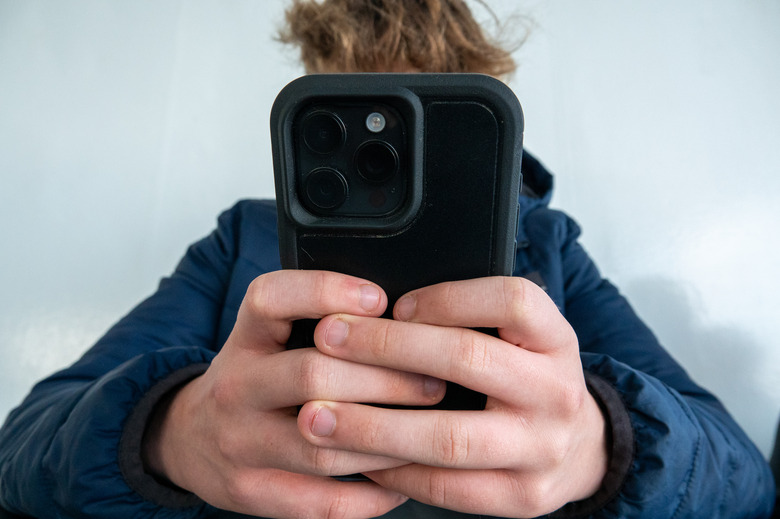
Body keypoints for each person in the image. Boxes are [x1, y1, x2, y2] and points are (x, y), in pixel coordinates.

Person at [0, 0, 774, 517]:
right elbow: (21, 447)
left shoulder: (550, 242)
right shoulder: (243, 238)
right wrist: (167, 434)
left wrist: (605, 444)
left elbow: (745, 475)